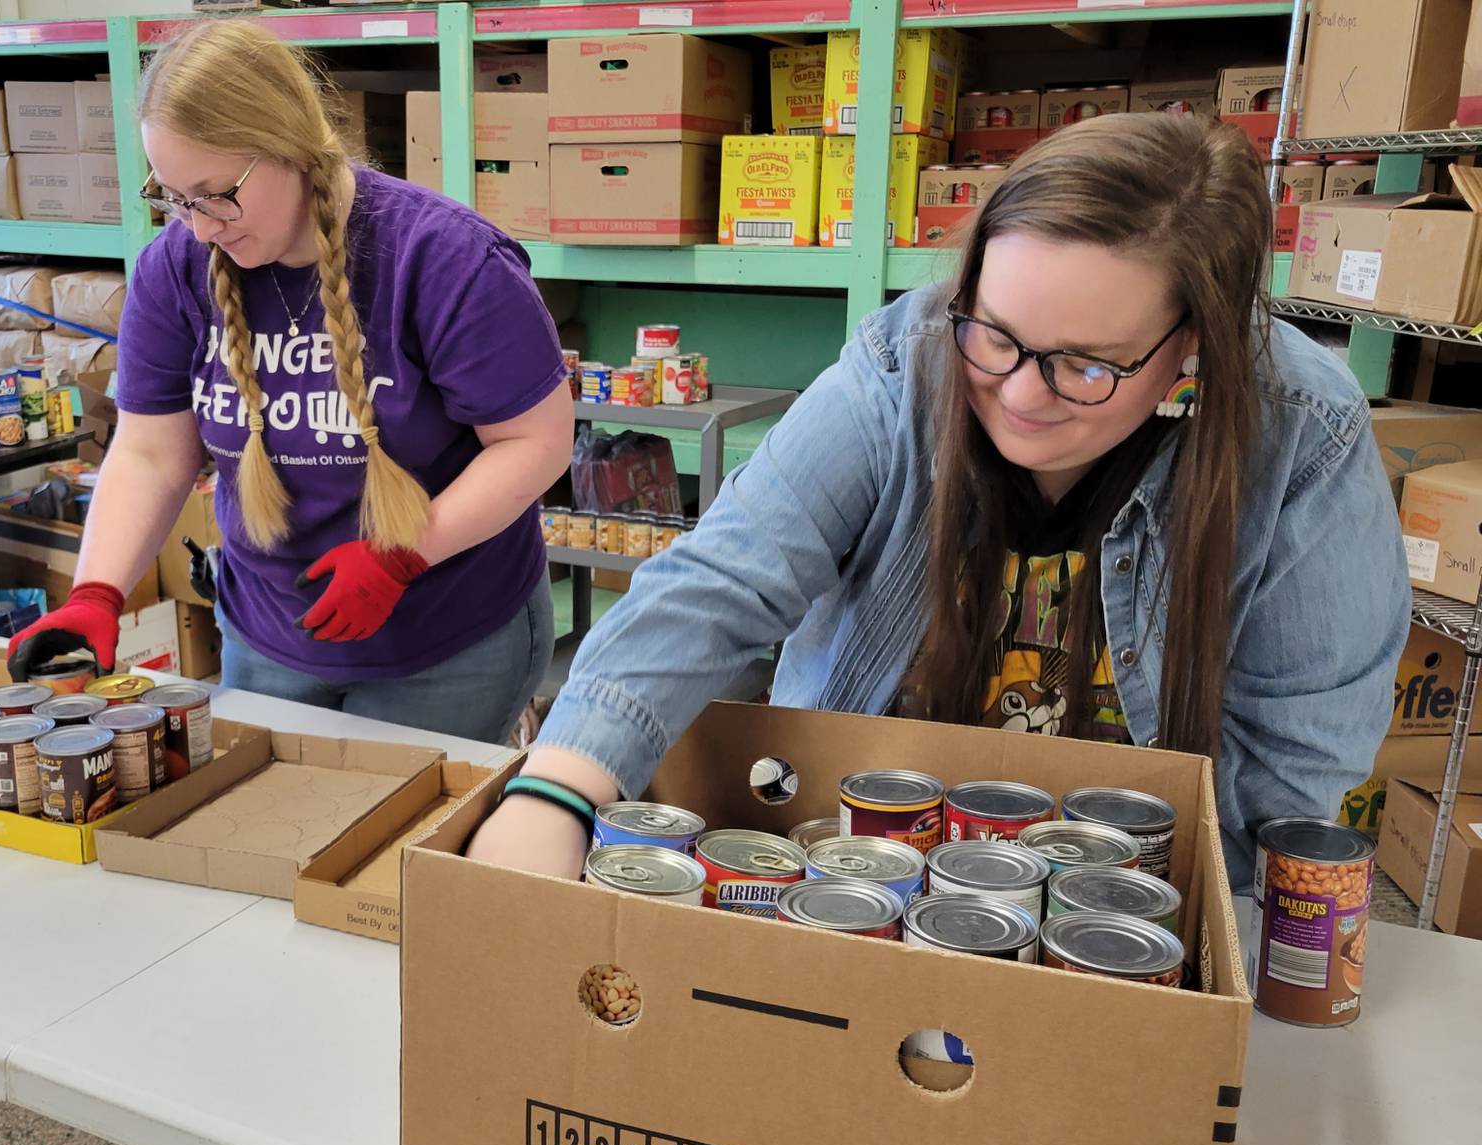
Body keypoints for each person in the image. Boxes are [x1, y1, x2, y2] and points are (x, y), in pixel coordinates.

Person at [466, 111, 1409, 890]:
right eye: (994, 333)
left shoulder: (1302, 432)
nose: (1021, 394)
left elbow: (1292, 761)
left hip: (1123, 904)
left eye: (1087, 365)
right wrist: (558, 791)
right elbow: (723, 580)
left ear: (1191, 345)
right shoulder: (903, 361)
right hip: (856, 865)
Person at [6, 20, 571, 745]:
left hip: (446, 638)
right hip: (268, 633)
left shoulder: (445, 259)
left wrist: (403, 555)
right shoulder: (175, 269)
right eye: (174, 197)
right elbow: (150, 453)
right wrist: (96, 594)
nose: (199, 228)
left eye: (215, 194)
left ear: (292, 146)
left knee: (400, 816)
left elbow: (535, 443)